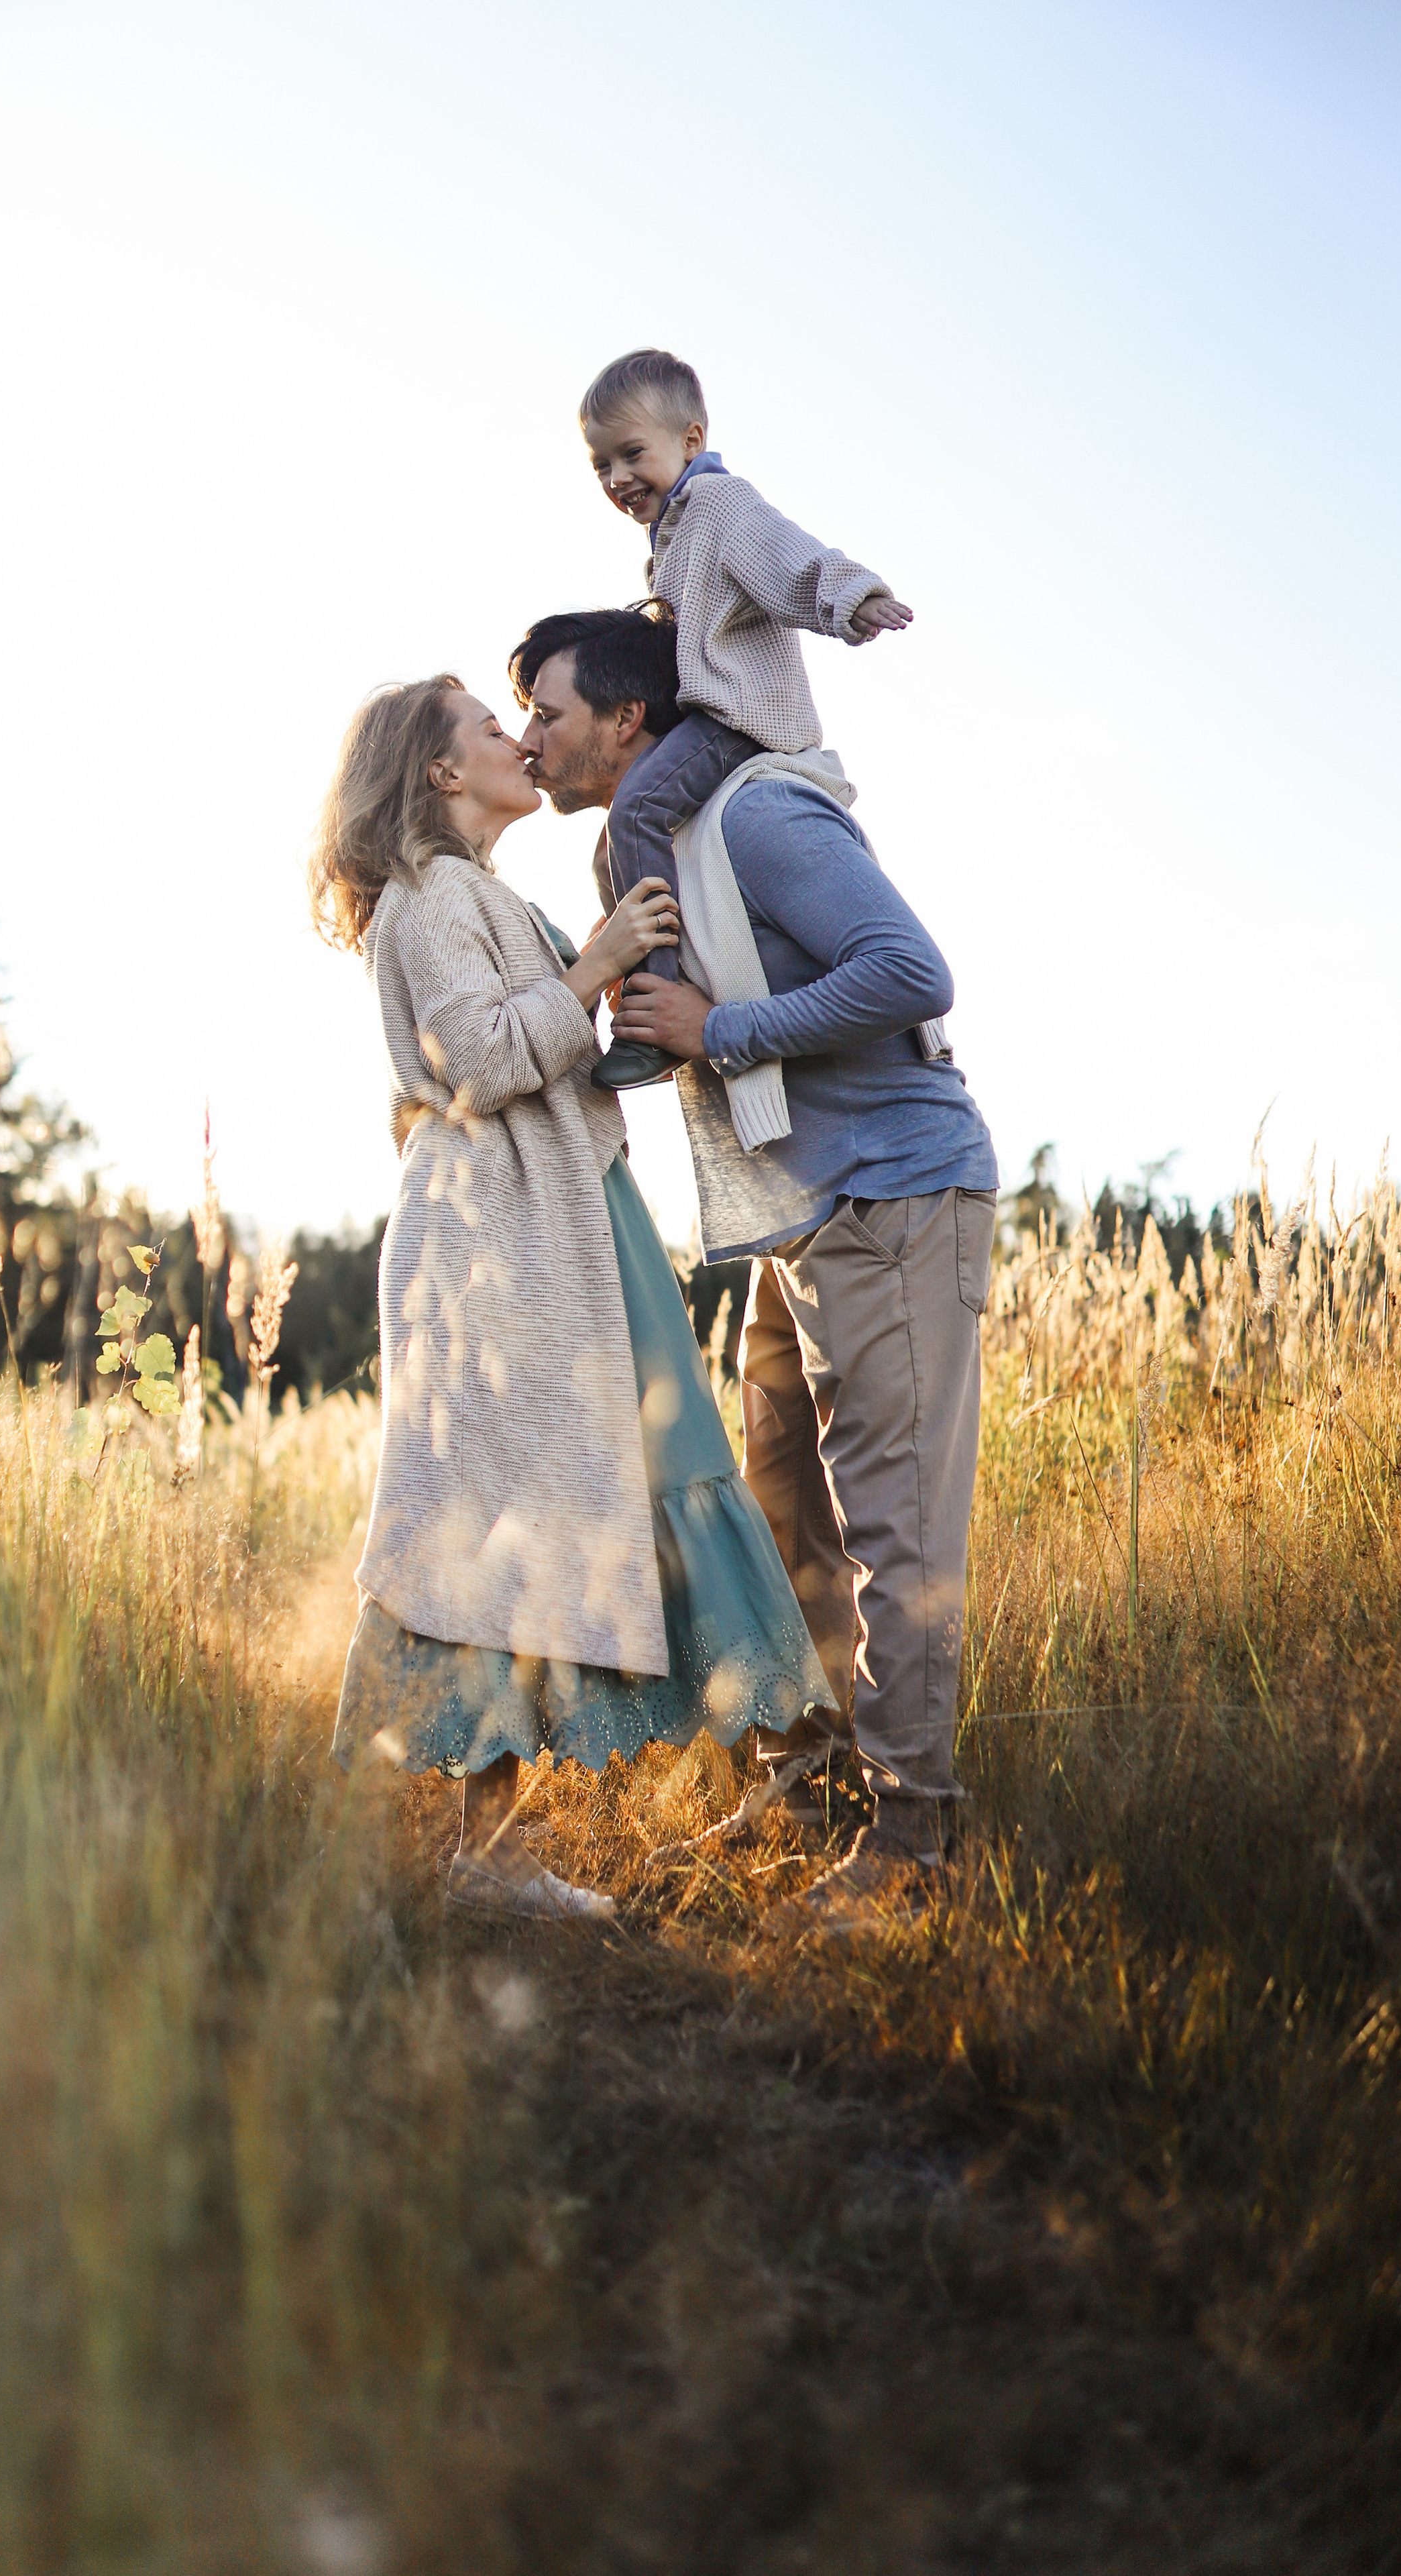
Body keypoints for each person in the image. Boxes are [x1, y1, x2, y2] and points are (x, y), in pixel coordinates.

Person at [307, 674, 835, 1919]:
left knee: (603, 1485)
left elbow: (541, 1056)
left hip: (563, 1223)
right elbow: (480, 1061)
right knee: (521, 1509)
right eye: (492, 728)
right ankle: (511, 1850)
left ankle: (775, 1775)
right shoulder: (428, 897)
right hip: (503, 1242)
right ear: (441, 773)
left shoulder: (480, 893)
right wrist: (596, 961)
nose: (519, 740)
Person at [511, 611, 997, 1913]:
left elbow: (910, 972)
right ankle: (810, 1786)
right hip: (793, 1222)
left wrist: (720, 1027)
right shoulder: (643, 858)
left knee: (894, 1532)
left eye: (548, 713)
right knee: (784, 1511)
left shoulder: (754, 819)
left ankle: (910, 1848)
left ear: (628, 721)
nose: (529, 739)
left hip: (892, 1194)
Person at [578, 345, 912, 1091]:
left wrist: (852, 597)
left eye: (631, 454)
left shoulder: (718, 506)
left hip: (741, 718)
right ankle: (646, 978)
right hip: (709, 719)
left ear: (691, 440)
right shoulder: (669, 540)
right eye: (600, 465)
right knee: (610, 852)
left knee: (637, 810)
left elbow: (786, 555)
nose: (616, 477)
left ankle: (657, 1002)